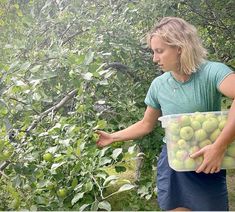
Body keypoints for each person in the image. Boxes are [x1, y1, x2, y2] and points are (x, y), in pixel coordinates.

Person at [96, 17, 235, 211]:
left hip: (206, 159)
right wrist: (113, 137)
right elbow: (146, 124)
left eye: (159, 51)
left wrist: (219, 147)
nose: (155, 58)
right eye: (153, 52)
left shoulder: (212, 72)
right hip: (173, 161)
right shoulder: (159, 85)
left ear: (180, 47)